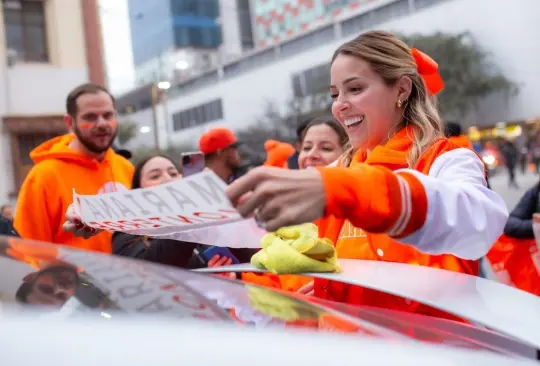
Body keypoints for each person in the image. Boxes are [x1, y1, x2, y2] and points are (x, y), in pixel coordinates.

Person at [226, 30, 508, 312]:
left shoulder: (447, 159)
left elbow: (480, 223)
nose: (340, 105)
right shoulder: (342, 169)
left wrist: (353, 191)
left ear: (401, 89)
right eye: (335, 94)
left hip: (428, 350)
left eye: (356, 89)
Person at [15, 83, 134, 252]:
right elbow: (27, 250)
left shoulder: (126, 167)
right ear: (70, 122)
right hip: (72, 278)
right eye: (90, 117)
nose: (102, 123)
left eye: (108, 115)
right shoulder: (44, 176)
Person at [112, 154, 253, 268]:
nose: (167, 179)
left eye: (173, 173)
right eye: (155, 176)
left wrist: (230, 273)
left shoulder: (209, 221)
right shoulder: (127, 234)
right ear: (138, 192)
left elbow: (251, 259)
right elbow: (153, 267)